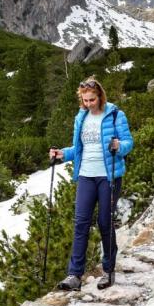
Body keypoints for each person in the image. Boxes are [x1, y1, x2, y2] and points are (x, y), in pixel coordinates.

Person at [49, 77, 133, 292]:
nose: (89, 104)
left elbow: (128, 142)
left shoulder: (115, 114)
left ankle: (108, 270)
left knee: (105, 223)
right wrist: (62, 154)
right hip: (86, 175)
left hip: (108, 176)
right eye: (85, 100)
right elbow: (79, 148)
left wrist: (118, 145)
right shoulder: (81, 117)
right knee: (81, 223)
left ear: (100, 96)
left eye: (92, 99)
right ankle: (74, 275)